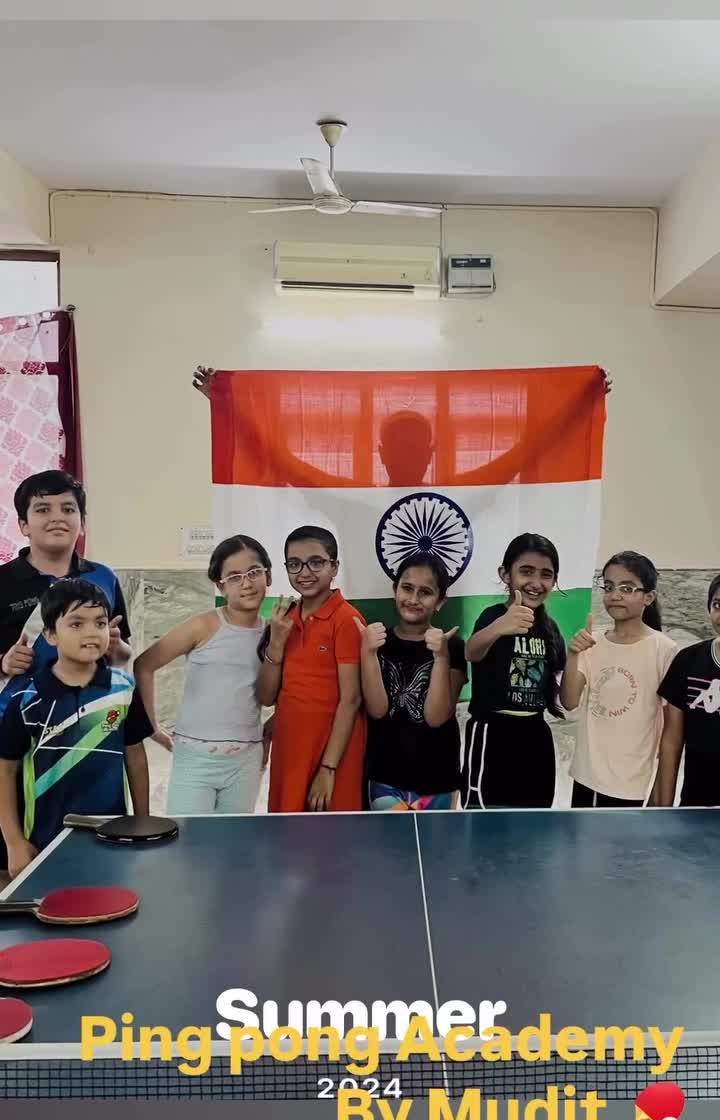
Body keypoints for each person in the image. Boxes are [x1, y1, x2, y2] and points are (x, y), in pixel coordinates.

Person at [192, 365, 612, 488]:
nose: (407, 454)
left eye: (415, 445)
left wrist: (579, 406)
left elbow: (523, 455)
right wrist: (228, 407)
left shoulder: (461, 493)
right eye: (399, 445)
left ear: (431, 452)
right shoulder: (353, 497)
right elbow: (285, 466)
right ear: (380, 453)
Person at [0, 579, 150, 879]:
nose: (91, 632)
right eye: (77, 624)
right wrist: (14, 842)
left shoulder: (123, 690)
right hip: (44, 842)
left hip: (112, 836)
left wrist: (143, 822)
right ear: (50, 634)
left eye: (100, 623)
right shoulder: (26, 699)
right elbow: (4, 771)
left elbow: (135, 758)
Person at [134, 535, 272, 814]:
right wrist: (152, 727)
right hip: (195, 760)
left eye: (254, 572)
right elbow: (144, 664)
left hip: (246, 761)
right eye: (234, 577)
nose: (246, 583)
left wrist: (269, 730)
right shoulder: (203, 626)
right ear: (221, 586)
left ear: (268, 575)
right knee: (188, 837)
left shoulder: (273, 632)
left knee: (234, 839)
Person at [0, 470, 132, 716]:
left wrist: (120, 652)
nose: (57, 517)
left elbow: (122, 652)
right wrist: (4, 663)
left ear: (82, 523)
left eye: (68, 509)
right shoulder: (3, 581)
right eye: (43, 510)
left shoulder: (104, 577)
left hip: (90, 718)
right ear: (23, 525)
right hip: (16, 719)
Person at [256, 526, 365, 812]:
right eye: (294, 564)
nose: (304, 572)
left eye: (316, 562)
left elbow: (352, 699)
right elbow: (266, 697)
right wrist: (276, 644)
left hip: (334, 750)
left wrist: (328, 768)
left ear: (334, 567)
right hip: (291, 747)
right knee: (286, 829)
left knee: (330, 833)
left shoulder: (346, 619)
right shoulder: (284, 618)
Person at [562, 551, 677, 808]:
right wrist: (573, 654)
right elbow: (569, 701)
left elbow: (671, 729)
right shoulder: (592, 643)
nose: (615, 595)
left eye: (627, 588)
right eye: (609, 586)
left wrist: (661, 793)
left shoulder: (664, 650)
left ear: (648, 597)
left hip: (632, 783)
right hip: (587, 776)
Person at [462, 533, 567, 809]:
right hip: (492, 733)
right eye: (526, 571)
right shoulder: (492, 616)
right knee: (484, 819)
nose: (536, 582)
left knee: (534, 822)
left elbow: (564, 693)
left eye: (546, 574)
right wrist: (501, 626)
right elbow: (471, 652)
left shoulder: (551, 629)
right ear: (506, 574)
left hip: (535, 736)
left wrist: (580, 656)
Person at [356, 552, 466, 811]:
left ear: (440, 601)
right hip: (385, 777)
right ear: (395, 590)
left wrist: (441, 657)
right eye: (407, 588)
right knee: (387, 840)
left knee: (436, 840)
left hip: (438, 780)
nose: (414, 599)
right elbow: (376, 709)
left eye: (425, 592)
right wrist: (368, 653)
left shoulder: (453, 646)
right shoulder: (378, 643)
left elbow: (437, 716)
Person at [651, 574, 720, 807]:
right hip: (697, 803)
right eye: (718, 605)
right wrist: (665, 810)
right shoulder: (688, 660)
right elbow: (672, 740)